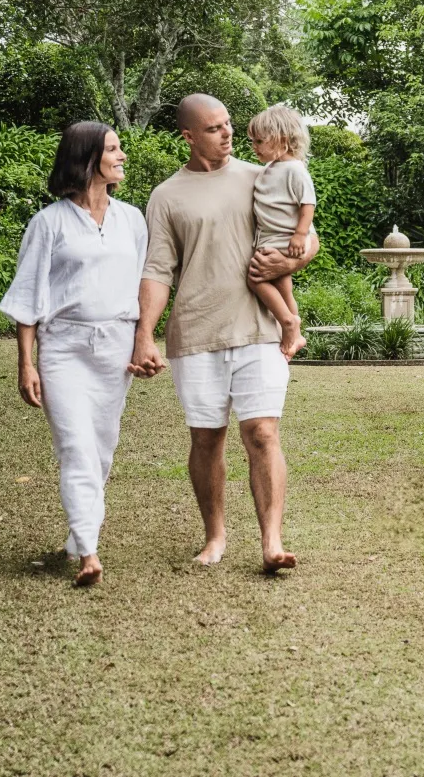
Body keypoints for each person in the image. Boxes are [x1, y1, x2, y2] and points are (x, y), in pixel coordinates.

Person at [130, 93, 318, 571]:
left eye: (229, 124)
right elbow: (157, 269)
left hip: (260, 330)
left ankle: (272, 542)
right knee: (206, 439)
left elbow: (305, 232)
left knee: (261, 433)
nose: (228, 133)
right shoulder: (167, 195)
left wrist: (297, 255)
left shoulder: (263, 175)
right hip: (195, 332)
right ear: (188, 137)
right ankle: (215, 536)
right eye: (214, 128)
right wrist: (144, 335)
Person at [1, 122, 149, 588]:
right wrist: (27, 362)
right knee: (76, 447)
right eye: (113, 149)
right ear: (86, 158)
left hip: (116, 347)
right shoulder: (49, 223)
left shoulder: (132, 220)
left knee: (102, 448)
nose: (122, 156)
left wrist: (145, 341)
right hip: (63, 347)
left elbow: (144, 285)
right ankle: (88, 551)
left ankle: (76, 534)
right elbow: (28, 295)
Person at [244, 103, 316, 361]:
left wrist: (300, 234)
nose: (255, 147)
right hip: (272, 239)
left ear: (282, 140)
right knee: (284, 289)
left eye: (260, 141)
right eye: (253, 141)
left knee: (256, 279)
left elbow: (308, 204)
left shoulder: (295, 169)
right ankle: (295, 332)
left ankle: (287, 322)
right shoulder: (269, 169)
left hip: (285, 239)